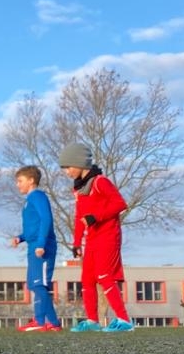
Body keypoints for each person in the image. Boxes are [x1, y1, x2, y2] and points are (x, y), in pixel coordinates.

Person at [60, 143, 134, 333]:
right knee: (87, 279)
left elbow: (120, 203)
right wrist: (76, 242)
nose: (66, 172)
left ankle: (124, 320)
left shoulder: (100, 182)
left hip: (108, 236)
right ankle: (92, 321)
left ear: (79, 163)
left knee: (104, 276)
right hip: (91, 239)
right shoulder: (78, 189)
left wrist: (96, 216)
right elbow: (79, 217)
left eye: (68, 167)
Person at [10, 166, 62, 332]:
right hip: (33, 246)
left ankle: (44, 322)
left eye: (20, 181)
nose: (18, 185)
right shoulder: (29, 200)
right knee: (34, 285)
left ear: (31, 180)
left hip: (43, 246)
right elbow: (33, 226)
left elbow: (46, 219)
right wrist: (21, 237)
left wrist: (41, 244)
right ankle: (46, 322)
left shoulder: (38, 196)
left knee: (39, 284)